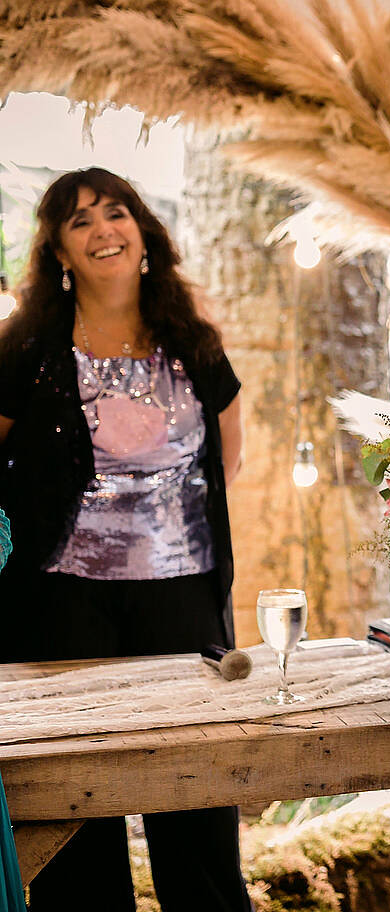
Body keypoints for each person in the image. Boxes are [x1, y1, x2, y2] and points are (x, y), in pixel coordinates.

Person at [0, 168, 249, 910]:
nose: (103, 229)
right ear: (59, 252)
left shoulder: (194, 344)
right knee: (82, 832)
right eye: (80, 222)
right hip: (61, 612)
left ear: (143, 232)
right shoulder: (24, 350)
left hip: (184, 609)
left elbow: (224, 465)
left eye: (116, 214)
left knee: (198, 815)